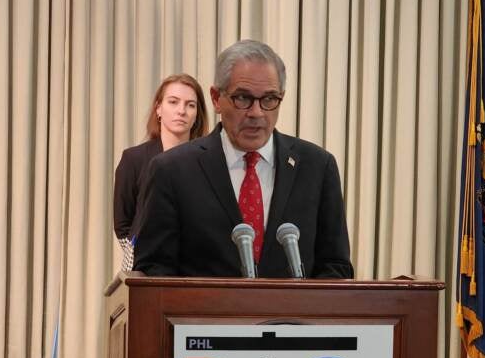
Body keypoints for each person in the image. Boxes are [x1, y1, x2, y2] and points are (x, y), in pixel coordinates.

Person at [132, 39, 353, 278]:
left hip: (293, 316)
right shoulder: (172, 170)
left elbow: (335, 267)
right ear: (216, 98)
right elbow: (154, 271)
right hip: (202, 315)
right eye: (243, 98)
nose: (256, 112)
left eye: (269, 99)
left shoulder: (317, 167)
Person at [113, 73, 210, 270]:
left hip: (197, 268)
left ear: (197, 115)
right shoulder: (134, 159)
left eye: (190, 105)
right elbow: (123, 224)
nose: (181, 111)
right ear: (158, 109)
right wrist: (142, 250)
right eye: (173, 102)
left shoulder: (209, 162)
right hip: (143, 267)